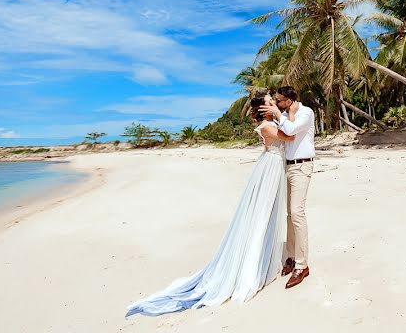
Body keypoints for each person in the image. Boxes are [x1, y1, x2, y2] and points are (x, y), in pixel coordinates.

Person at [124, 93, 290, 317]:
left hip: (272, 165)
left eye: (273, 100)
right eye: (270, 101)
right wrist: (281, 115)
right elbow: (288, 137)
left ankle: (262, 257)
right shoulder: (268, 126)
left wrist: (280, 116)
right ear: (263, 108)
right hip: (270, 167)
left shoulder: (270, 123)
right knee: (260, 215)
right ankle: (253, 264)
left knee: (266, 213)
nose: (273, 102)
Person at [259, 85, 315, 289]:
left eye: (280, 101)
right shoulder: (286, 114)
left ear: (289, 101)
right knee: (289, 215)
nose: (277, 104)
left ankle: (302, 265)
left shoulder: (306, 112)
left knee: (297, 213)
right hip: (288, 166)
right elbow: (281, 133)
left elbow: (290, 131)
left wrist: (279, 114)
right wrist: (276, 113)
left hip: (302, 166)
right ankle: (291, 256)